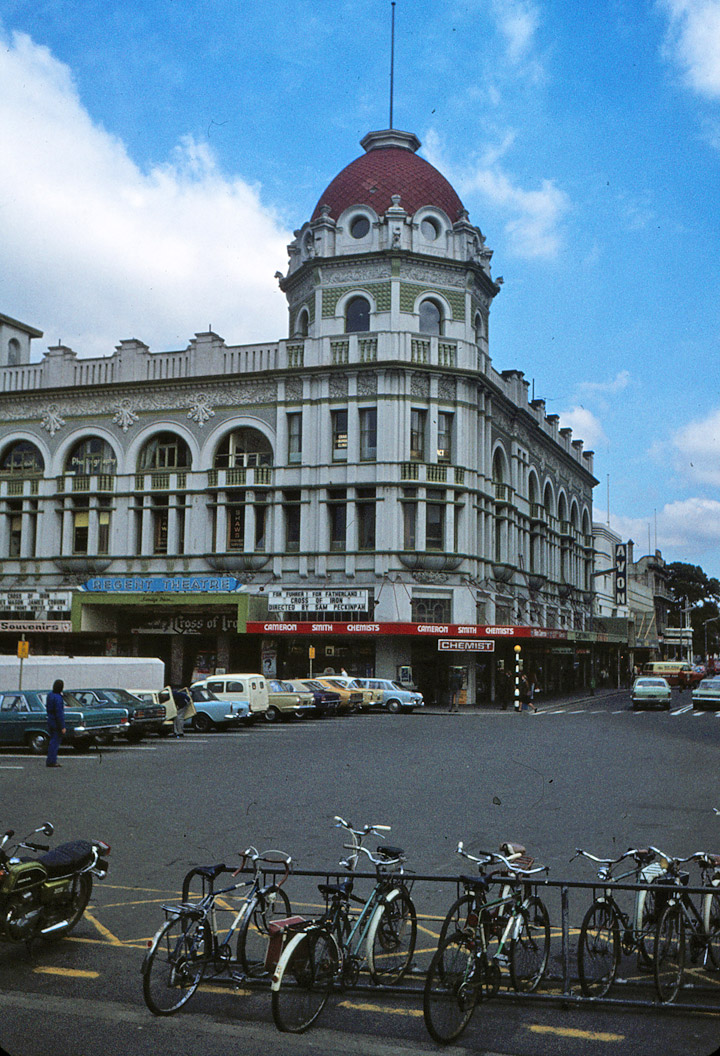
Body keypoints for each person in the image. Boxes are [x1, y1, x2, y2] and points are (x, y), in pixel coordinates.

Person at [46, 678, 66, 767]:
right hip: (56, 722)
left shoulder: (50, 695)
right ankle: (52, 760)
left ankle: (50, 759)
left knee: (52, 741)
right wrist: (62, 726)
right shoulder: (58, 698)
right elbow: (59, 713)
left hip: (50, 719)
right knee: (55, 741)